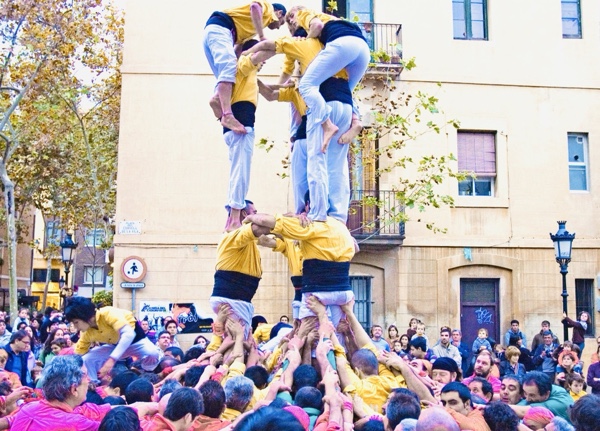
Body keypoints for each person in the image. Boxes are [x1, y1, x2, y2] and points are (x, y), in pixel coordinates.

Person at [245, 199, 355, 327]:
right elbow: (265, 240)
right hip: (309, 291)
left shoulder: (316, 227)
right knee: (310, 328)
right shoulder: (291, 241)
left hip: (317, 289)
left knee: (321, 328)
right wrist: (275, 228)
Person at [203, 1, 286, 134]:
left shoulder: (248, 28)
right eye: (281, 23)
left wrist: (239, 60)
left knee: (227, 73)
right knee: (229, 68)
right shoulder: (268, 9)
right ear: (279, 13)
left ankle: (217, 97)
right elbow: (254, 6)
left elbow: (238, 48)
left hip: (218, 31)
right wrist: (262, 36)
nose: (278, 27)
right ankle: (227, 115)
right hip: (221, 28)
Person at [66, 297, 160, 382]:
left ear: (86, 317)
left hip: (136, 342)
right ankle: (93, 384)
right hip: (114, 346)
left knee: (153, 353)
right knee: (86, 359)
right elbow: (77, 355)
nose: (75, 327)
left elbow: (128, 334)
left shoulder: (108, 313)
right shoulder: (86, 333)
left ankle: (147, 372)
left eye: (76, 322)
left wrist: (111, 361)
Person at [10, 355, 112, 429]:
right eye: (85, 376)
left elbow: (83, 410)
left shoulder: (28, 408)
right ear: (74, 389)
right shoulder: (76, 424)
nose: (89, 380)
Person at [210, 200, 263, 337]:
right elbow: (260, 226)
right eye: (254, 212)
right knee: (239, 340)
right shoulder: (236, 235)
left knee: (238, 339)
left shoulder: (245, 239)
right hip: (233, 297)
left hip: (236, 296)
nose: (257, 215)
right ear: (245, 214)